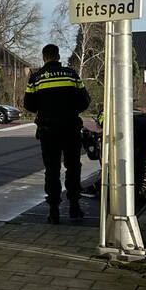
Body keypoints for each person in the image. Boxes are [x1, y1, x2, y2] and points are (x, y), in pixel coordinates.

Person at [24, 44, 91, 224]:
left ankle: (54, 212)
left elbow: (28, 105)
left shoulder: (36, 77)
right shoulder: (71, 74)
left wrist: (45, 107)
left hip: (48, 130)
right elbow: (85, 101)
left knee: (52, 170)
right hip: (70, 128)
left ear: (44, 57)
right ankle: (74, 208)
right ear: (58, 56)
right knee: (73, 167)